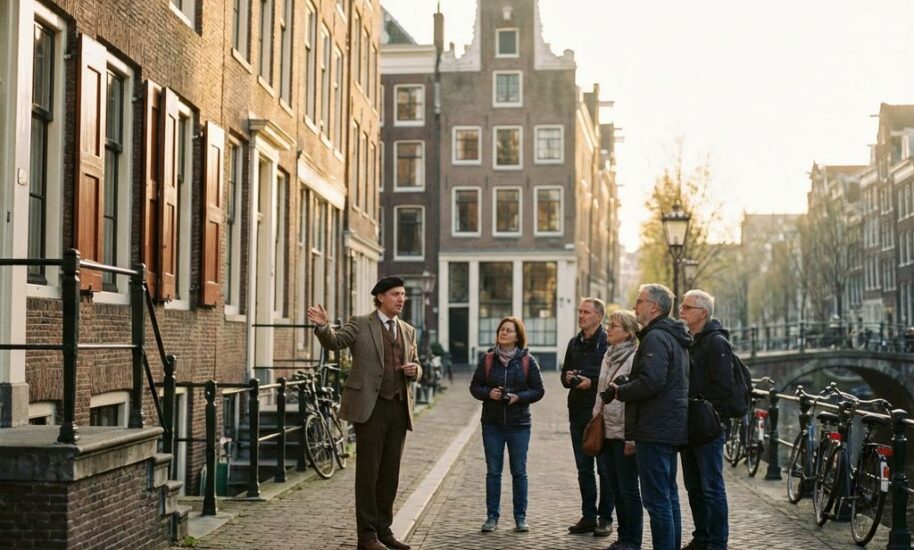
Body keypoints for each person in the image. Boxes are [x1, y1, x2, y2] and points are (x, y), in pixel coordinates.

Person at [307, 276, 421, 550]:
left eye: (403, 294)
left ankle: (384, 531)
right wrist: (324, 327)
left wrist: (415, 371)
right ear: (380, 297)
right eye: (395, 294)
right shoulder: (361, 322)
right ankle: (366, 537)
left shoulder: (408, 330)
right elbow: (335, 342)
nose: (401, 299)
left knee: (390, 474)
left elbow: (416, 363)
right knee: (368, 474)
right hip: (370, 408)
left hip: (399, 407)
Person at [607, 283, 691, 550]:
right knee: (668, 496)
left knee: (656, 501)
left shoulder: (655, 337)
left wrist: (622, 391)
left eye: (639, 301)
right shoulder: (674, 336)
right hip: (670, 425)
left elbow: (652, 381)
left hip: (655, 427)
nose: (635, 306)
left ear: (654, 307)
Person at [469, 317, 545, 534]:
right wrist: (488, 393)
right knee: (493, 472)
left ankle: (520, 518)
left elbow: (539, 390)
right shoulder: (488, 359)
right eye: (501, 330)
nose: (504, 333)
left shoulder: (527, 360)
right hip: (492, 424)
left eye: (509, 330)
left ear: (517, 335)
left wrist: (517, 397)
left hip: (519, 424)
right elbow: (475, 387)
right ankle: (492, 517)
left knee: (519, 472)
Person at [678, 290, 732, 550]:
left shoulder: (716, 343)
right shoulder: (690, 340)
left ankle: (717, 542)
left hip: (708, 426)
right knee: (694, 486)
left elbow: (724, 385)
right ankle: (701, 536)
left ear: (703, 313)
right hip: (689, 423)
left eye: (687, 307)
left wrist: (702, 407)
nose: (681, 311)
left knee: (711, 487)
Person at [561, 298, 614, 537]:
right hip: (578, 414)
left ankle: (605, 518)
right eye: (579, 311)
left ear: (599, 317)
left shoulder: (607, 342)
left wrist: (589, 381)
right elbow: (564, 375)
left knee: (604, 469)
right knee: (583, 469)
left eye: (586, 312)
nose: (580, 316)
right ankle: (588, 516)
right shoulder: (574, 343)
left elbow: (610, 377)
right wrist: (568, 377)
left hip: (601, 414)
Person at [594, 310, 643, 550]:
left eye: (613, 326)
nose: (608, 329)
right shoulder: (608, 355)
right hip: (607, 429)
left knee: (628, 489)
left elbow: (634, 400)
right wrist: (596, 420)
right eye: (608, 325)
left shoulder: (635, 358)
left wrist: (632, 437)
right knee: (615, 487)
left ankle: (633, 540)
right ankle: (623, 537)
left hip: (624, 432)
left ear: (628, 332)